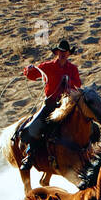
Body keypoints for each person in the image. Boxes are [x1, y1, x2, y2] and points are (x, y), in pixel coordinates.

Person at [19, 38, 82, 172]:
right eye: (60, 52)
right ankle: (29, 155)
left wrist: (69, 82)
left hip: (67, 105)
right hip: (51, 104)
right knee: (36, 126)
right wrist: (28, 69)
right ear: (57, 53)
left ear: (69, 54)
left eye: (65, 52)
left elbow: (78, 86)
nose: (63, 54)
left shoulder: (73, 69)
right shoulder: (48, 66)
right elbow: (32, 75)